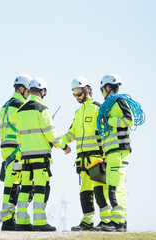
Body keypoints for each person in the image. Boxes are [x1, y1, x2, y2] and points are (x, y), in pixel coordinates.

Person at [15, 77, 71, 232]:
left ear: (30, 90)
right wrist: (64, 146)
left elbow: (19, 136)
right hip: (41, 157)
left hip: (25, 157)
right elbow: (51, 135)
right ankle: (40, 223)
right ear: (43, 91)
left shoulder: (20, 111)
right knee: (41, 188)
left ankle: (22, 222)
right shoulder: (42, 109)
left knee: (25, 188)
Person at [61, 77, 111, 231]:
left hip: (97, 157)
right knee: (85, 191)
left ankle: (107, 221)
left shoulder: (98, 108)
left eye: (79, 93)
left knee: (100, 189)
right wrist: (58, 141)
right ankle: (87, 222)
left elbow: (108, 133)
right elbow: (71, 133)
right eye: (74, 94)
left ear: (88, 89)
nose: (77, 97)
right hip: (82, 159)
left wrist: (107, 156)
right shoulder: (78, 113)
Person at [99, 73, 133, 232]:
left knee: (114, 187)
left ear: (107, 88)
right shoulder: (109, 105)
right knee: (115, 186)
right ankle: (120, 221)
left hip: (118, 151)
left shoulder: (119, 101)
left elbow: (129, 120)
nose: (102, 93)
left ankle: (117, 222)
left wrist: (109, 121)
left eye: (102, 90)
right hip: (112, 152)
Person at [0, 74, 32, 231]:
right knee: (21, 183)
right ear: (21, 88)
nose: (30, 94)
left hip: (6, 149)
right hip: (17, 149)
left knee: (9, 184)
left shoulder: (5, 106)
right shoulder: (21, 106)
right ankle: (14, 220)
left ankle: (8, 219)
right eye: (28, 90)